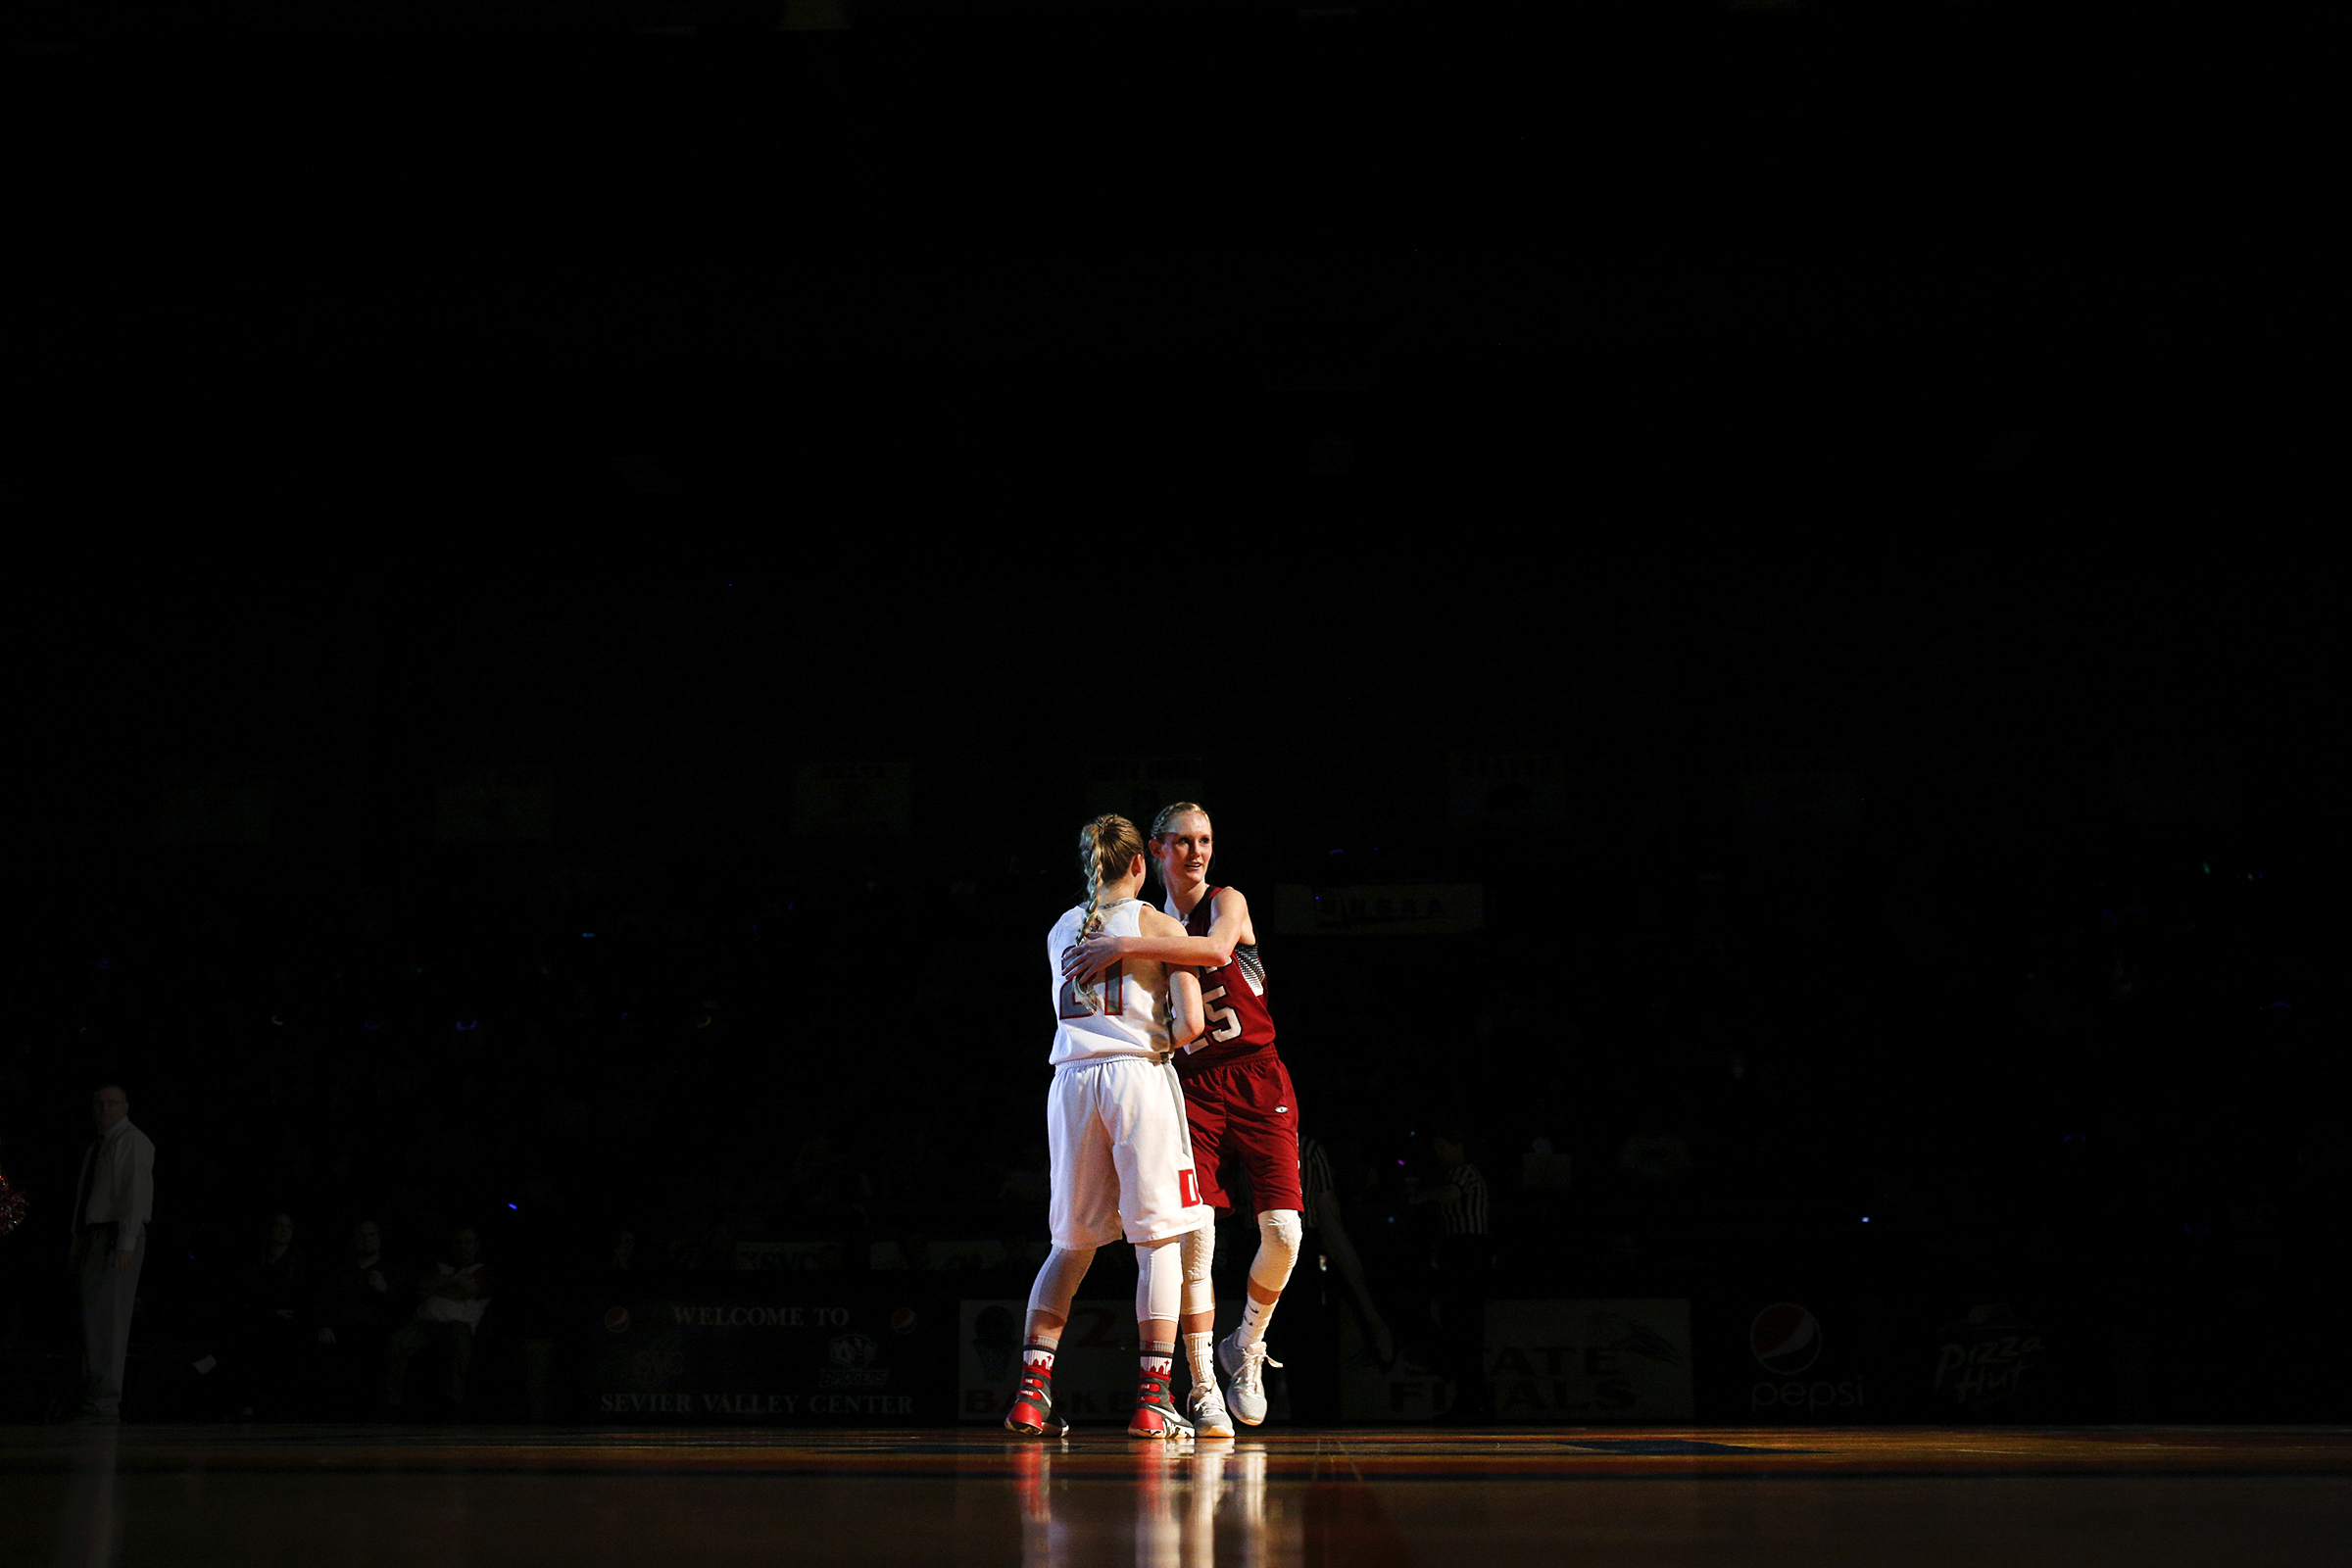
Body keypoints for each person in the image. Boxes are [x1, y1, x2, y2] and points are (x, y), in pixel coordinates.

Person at [1064, 803, 1300, 1429]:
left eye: (1206, 840)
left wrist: (1122, 946)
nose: (1198, 852)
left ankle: (1245, 1343)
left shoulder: (1224, 902)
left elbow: (1219, 948)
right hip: (1186, 1084)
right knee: (1193, 1237)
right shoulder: (1149, 919)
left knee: (1285, 1234)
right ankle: (1201, 1384)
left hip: (1256, 1073)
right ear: (1155, 852)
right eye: (1184, 841)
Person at [1004, 814, 1213, 1440]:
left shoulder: (1059, 928)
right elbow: (1190, 1027)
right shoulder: (1156, 923)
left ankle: (1030, 1393)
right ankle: (1155, 1399)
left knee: (1070, 1244)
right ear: (1141, 865)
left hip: (1069, 1083)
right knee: (1159, 1241)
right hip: (1135, 1076)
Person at [69, 1083, 155, 1424]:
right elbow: (86, 1198)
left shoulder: (132, 1141)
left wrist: (125, 1242)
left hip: (114, 1235)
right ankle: (96, 1400)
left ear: (125, 1107)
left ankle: (103, 1404)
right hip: (95, 1236)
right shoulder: (100, 1146)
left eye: (111, 1103)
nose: (103, 1109)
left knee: (109, 1321)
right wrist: (78, 1241)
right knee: (94, 1320)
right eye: (98, 1103)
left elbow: (134, 1195)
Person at [1408, 1125, 1492, 1420]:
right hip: (1460, 1256)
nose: (1440, 1155)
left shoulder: (1462, 1173)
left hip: (1466, 1256)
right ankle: (1471, 1397)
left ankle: (1473, 1398)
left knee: (1463, 1328)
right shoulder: (1456, 1174)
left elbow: (1452, 1194)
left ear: (1458, 1147)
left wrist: (1419, 1199)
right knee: (1462, 1329)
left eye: (1444, 1148)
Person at [384, 1225, 491, 1417]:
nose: (462, 1246)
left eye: (467, 1242)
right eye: (458, 1242)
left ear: (476, 1245)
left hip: (457, 1326)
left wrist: (441, 1285)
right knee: (398, 1341)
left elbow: (469, 1289)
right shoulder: (440, 1266)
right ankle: (391, 1403)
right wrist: (455, 1280)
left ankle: (454, 1403)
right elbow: (423, 1287)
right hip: (425, 1324)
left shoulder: (482, 1270)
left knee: (460, 1340)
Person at [319, 1219, 401, 1416]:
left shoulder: (392, 1270)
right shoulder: (339, 1270)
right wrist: (322, 1325)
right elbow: (321, 1301)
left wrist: (384, 1290)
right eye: (361, 1235)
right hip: (342, 1332)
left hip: (377, 1333)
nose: (367, 1239)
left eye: (372, 1235)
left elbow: (402, 1307)